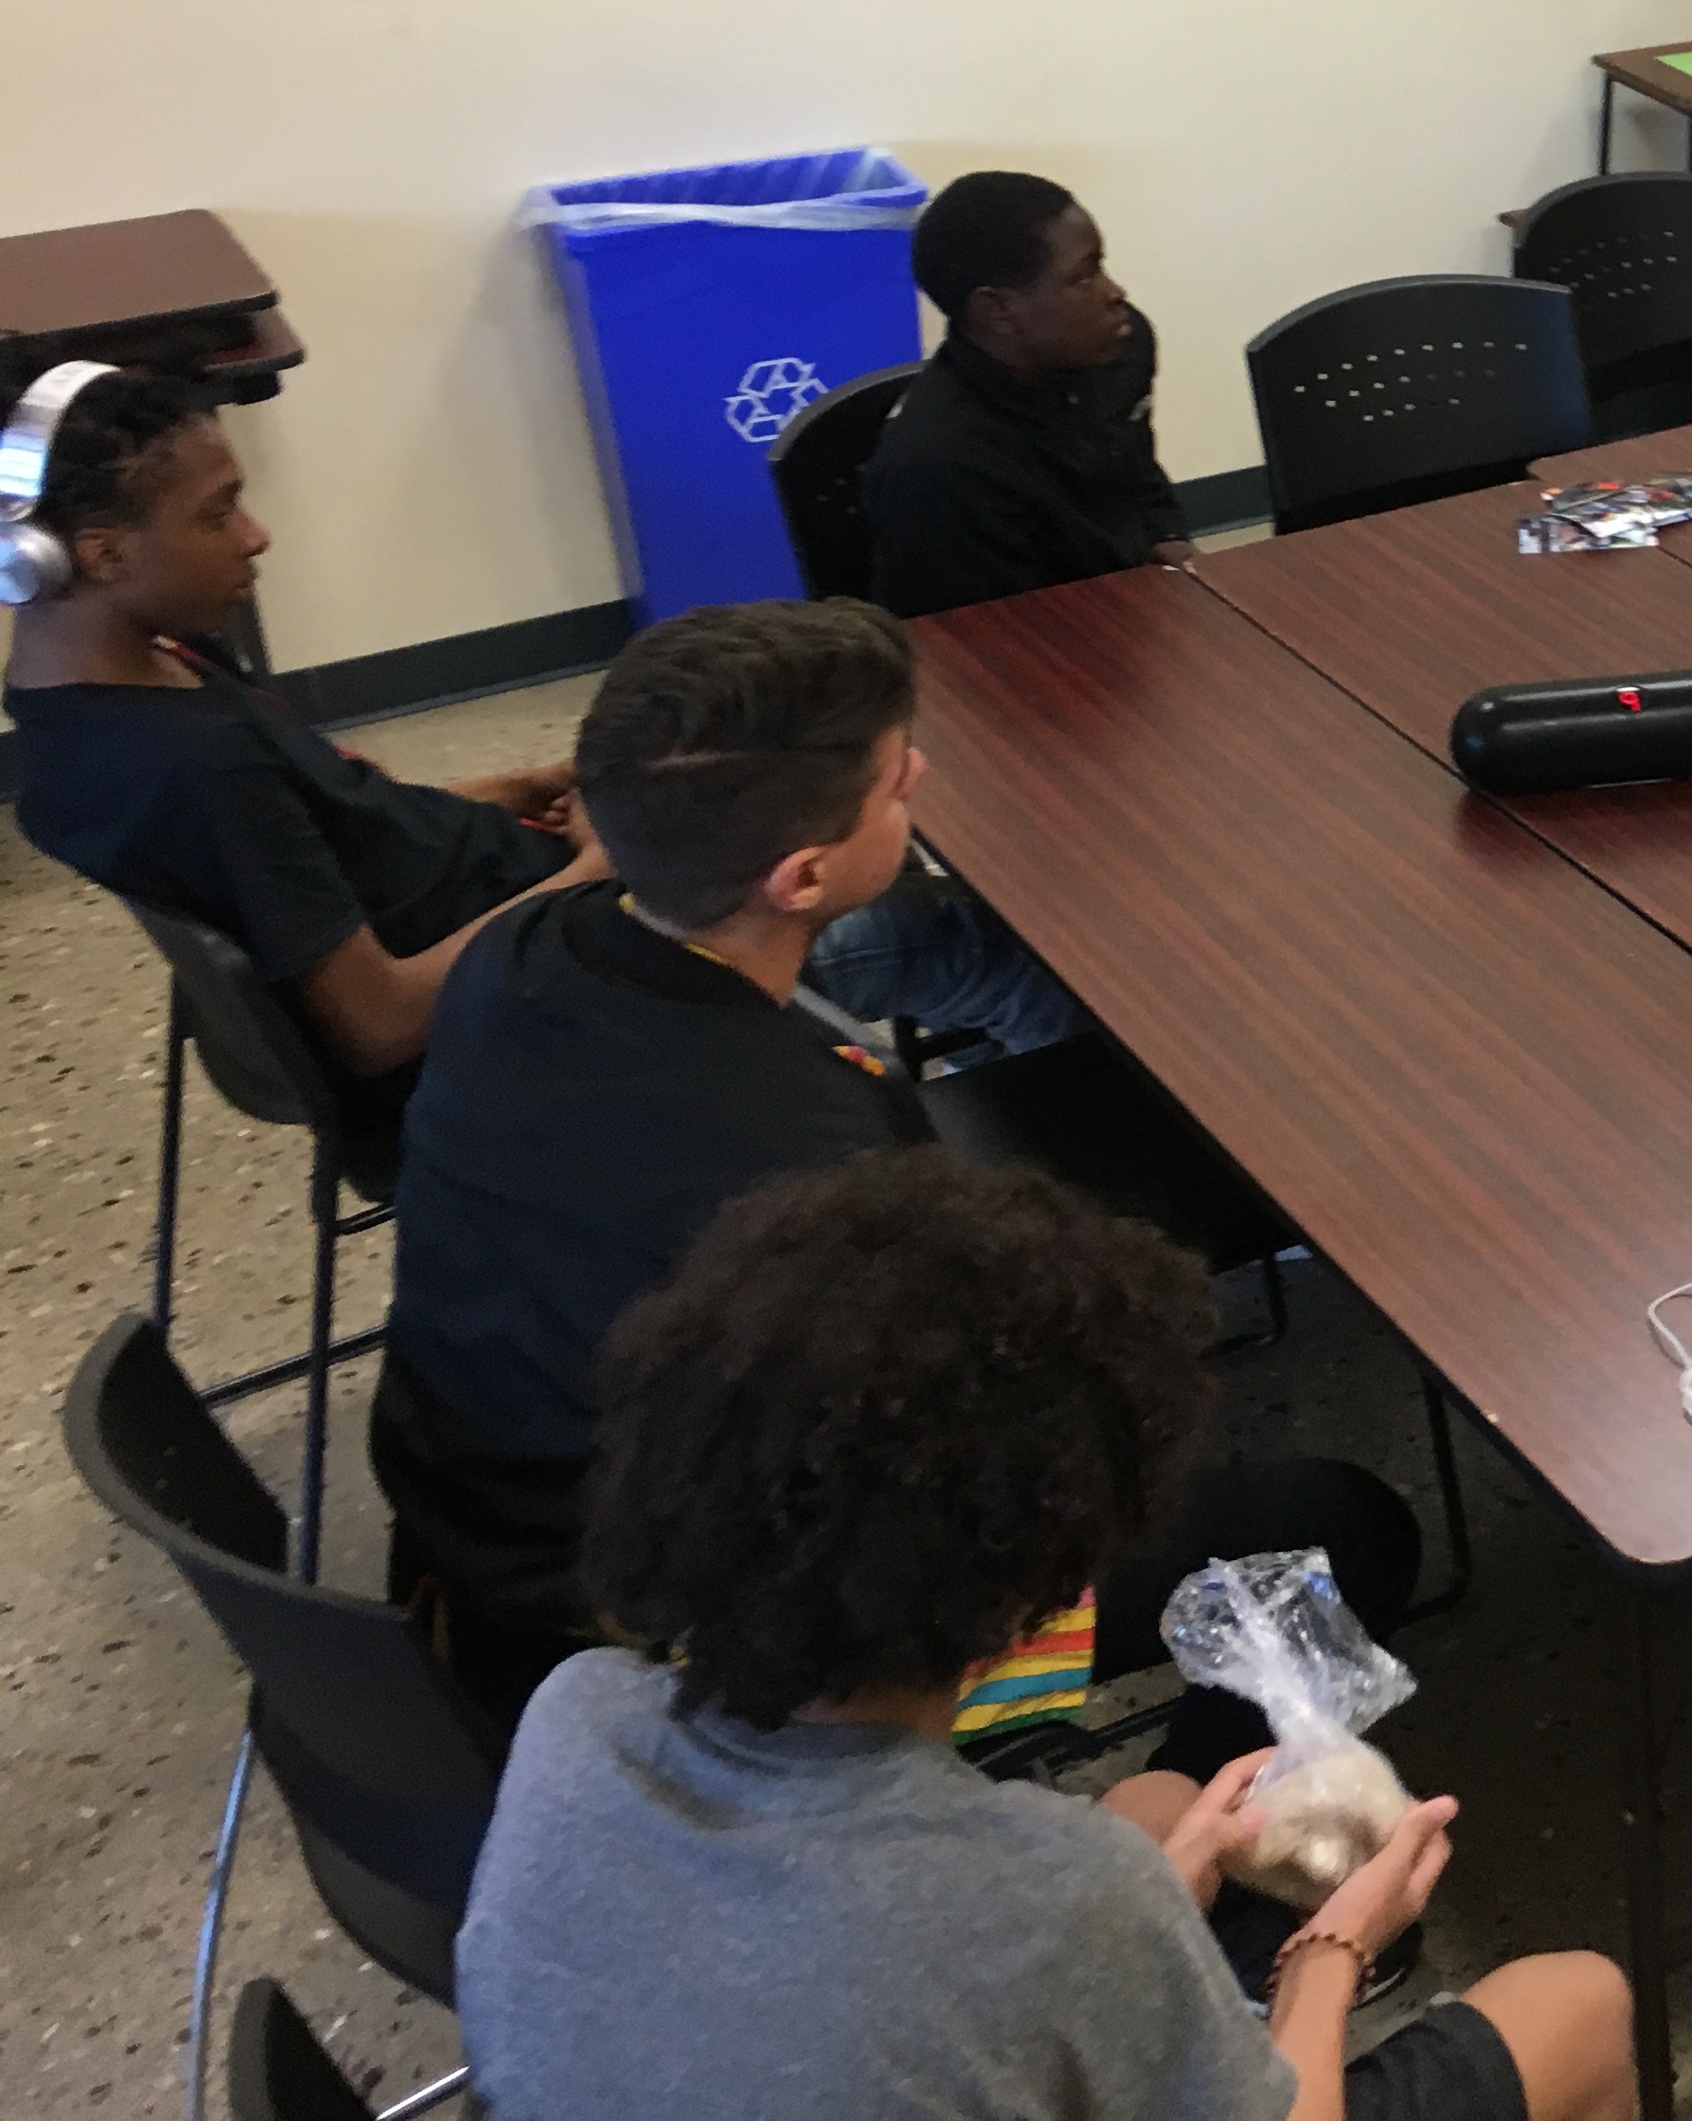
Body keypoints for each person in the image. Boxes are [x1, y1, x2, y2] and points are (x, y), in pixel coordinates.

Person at [458, 1149, 1634, 2121]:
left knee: (1156, 1815)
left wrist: (1143, 1895)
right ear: (1034, 1596)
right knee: (1579, 2001)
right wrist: (1330, 1952)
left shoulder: (577, 1714)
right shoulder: (1057, 1902)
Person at [371, 597, 1267, 1723]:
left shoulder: (521, 948)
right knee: (1331, 1527)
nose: (921, 777)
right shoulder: (822, 1166)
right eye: (897, 782)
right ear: (800, 879)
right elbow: (902, 1488)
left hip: (464, 1552)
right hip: (685, 1659)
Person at [6, 366, 596, 1122]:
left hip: (499, 895)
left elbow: (325, 828)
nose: (256, 537)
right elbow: (379, 1028)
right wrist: (601, 866)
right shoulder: (196, 766)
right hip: (513, 1011)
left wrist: (510, 790)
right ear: (100, 555)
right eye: (217, 515)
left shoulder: (113, 683)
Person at [866, 170, 1192, 619]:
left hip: (1124, 615)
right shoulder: (944, 465)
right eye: (1084, 277)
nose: (1115, 292)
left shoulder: (1119, 348)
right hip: (1024, 651)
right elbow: (982, 643)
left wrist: (1167, 538)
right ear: (999, 309)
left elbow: (1136, 474)